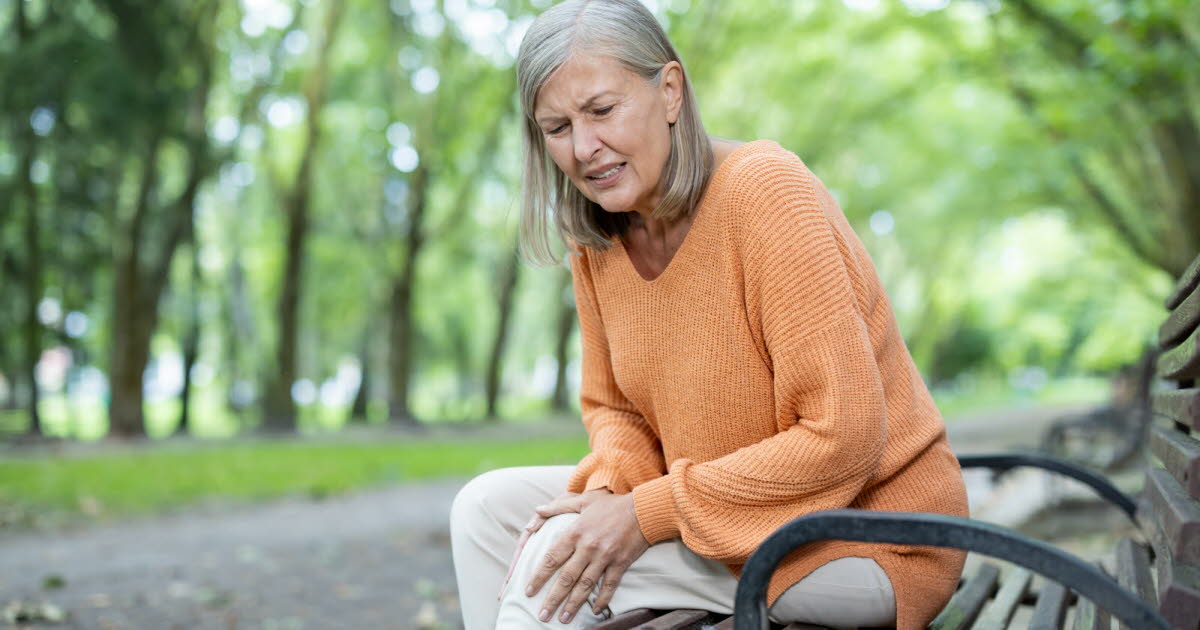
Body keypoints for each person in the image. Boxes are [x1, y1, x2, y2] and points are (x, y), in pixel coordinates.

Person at [449, 1, 969, 628]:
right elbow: (615, 411)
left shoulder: (765, 192)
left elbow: (845, 434)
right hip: (718, 518)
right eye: (556, 127)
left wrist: (645, 515)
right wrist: (617, 494)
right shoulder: (597, 245)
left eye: (602, 110)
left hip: (866, 539)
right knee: (483, 509)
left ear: (670, 91)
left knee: (552, 560)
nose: (584, 147)